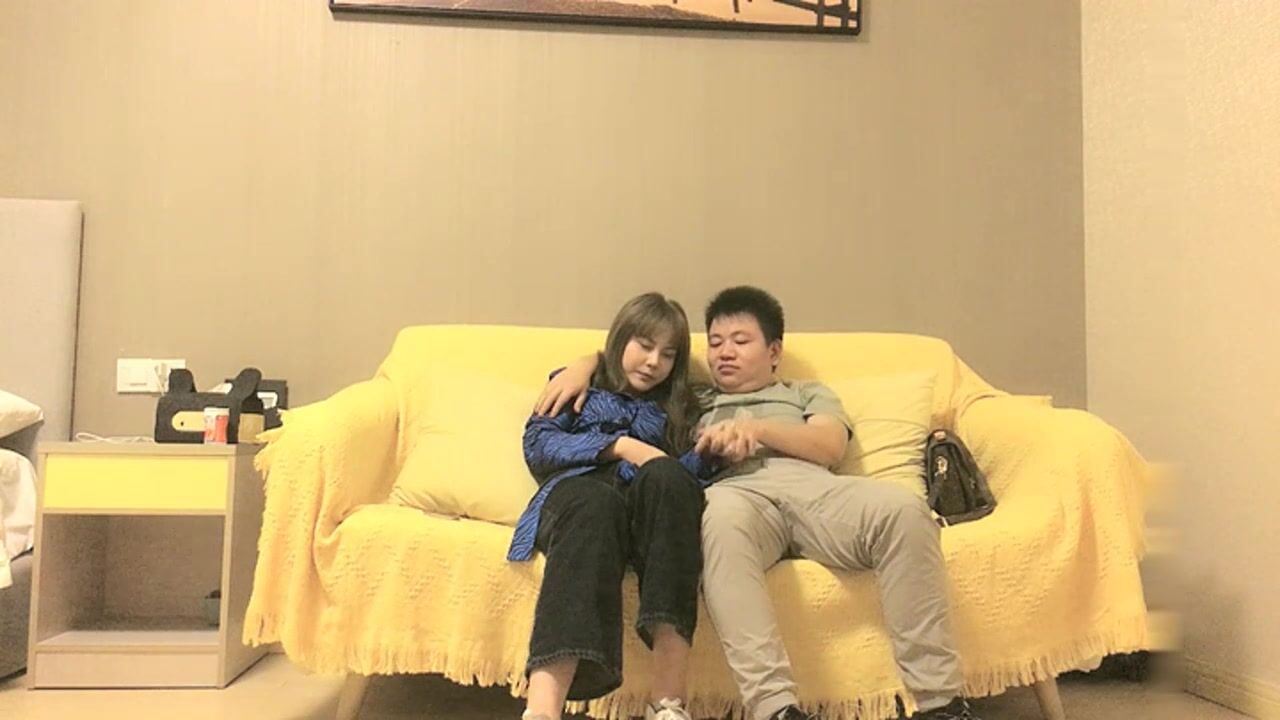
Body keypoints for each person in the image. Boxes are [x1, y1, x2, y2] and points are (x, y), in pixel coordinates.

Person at [537, 286, 982, 720]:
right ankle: (775, 708)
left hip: (814, 488)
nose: (724, 353)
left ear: (774, 352)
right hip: (733, 494)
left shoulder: (806, 393)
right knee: (719, 526)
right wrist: (583, 365)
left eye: (740, 341)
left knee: (904, 510)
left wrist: (758, 429)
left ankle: (939, 703)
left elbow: (829, 446)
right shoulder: (690, 398)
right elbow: (630, 369)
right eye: (715, 343)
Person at [512, 292, 717, 720]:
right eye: (645, 345)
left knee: (668, 478)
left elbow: (680, 484)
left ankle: (668, 704)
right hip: (576, 503)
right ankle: (542, 710)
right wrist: (619, 446)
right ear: (622, 337)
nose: (653, 362)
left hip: (642, 518)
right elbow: (538, 446)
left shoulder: (678, 406)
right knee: (596, 502)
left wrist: (711, 453)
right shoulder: (577, 385)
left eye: (668, 354)